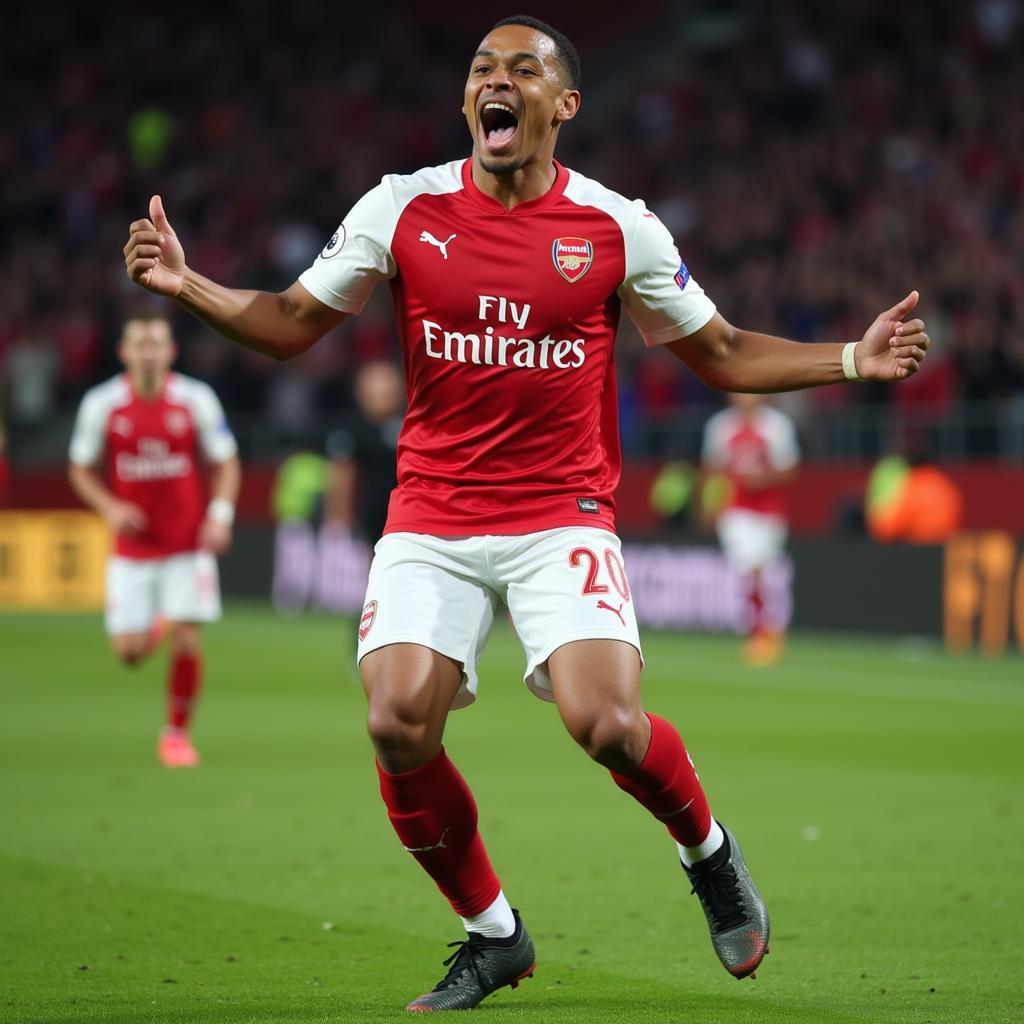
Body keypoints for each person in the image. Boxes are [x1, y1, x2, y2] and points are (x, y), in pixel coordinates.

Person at [122, 15, 930, 1010]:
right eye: (479, 69)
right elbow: (291, 323)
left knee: (607, 721)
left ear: (562, 105)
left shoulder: (615, 227)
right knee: (396, 719)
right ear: (469, 102)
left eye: (520, 70)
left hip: (562, 514)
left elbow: (718, 353)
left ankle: (707, 851)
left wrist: (852, 358)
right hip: (431, 513)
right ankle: (492, 934)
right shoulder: (401, 206)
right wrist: (185, 282)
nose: (492, 82)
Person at [68, 314, 241, 768]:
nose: (148, 352)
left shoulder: (195, 399)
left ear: (171, 352)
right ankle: (160, 623)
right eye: (139, 344)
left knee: (187, 637)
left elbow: (226, 462)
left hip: (187, 544)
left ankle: (176, 736)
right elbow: (80, 468)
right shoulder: (102, 404)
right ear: (124, 352)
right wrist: (109, 507)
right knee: (128, 653)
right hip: (133, 549)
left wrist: (219, 516)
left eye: (156, 344)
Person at [701, 394, 799, 666]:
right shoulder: (720, 426)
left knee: (764, 571)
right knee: (749, 568)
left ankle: (767, 629)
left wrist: (763, 479)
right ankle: (759, 634)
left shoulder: (776, 426)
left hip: (769, 510)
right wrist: (710, 504)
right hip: (736, 509)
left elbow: (790, 470)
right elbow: (713, 470)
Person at [323, 359, 403, 544]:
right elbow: (341, 475)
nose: (381, 397)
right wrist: (337, 521)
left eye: (387, 391)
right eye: (375, 392)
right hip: (365, 522)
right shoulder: (351, 431)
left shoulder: (410, 425)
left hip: (404, 519)